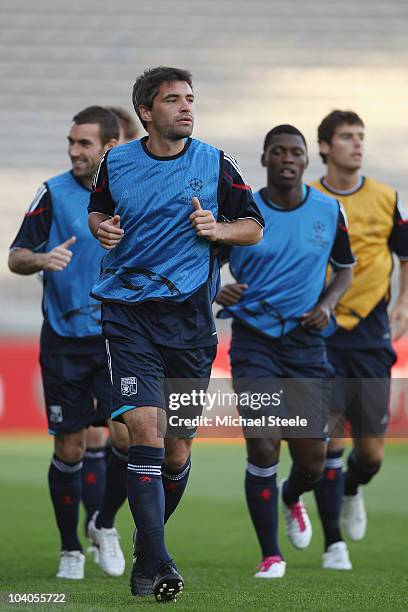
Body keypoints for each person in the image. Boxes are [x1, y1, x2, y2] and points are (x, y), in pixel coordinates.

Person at [88, 66, 264, 602]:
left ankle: (147, 547)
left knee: (177, 452)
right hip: (128, 314)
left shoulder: (213, 162)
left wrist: (217, 229)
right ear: (146, 111)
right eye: (173, 100)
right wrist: (103, 228)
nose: (186, 107)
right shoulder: (116, 161)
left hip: (189, 323)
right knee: (146, 432)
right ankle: (158, 564)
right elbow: (98, 211)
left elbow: (253, 226)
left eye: (190, 98)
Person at [215, 125, 354, 578]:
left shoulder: (329, 211)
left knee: (312, 460)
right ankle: (270, 554)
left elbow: (345, 270)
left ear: (306, 161)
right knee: (263, 444)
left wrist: (327, 305)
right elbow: (202, 260)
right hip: (254, 340)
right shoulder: (242, 209)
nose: (287, 158)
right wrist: (220, 289)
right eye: (278, 151)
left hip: (306, 343)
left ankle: (292, 496)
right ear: (264, 159)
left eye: (295, 151)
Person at [8, 106, 128, 580]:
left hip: (118, 337)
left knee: (128, 436)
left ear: (109, 148)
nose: (74, 151)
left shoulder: (133, 192)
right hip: (64, 340)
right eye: (71, 143)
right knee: (71, 448)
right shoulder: (53, 192)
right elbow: (16, 256)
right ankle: (70, 550)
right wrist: (40, 259)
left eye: (84, 144)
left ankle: (104, 522)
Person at [311, 110, 408, 569]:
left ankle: (352, 488)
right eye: (347, 136)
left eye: (361, 136)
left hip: (369, 332)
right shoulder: (307, 198)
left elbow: (405, 256)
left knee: (370, 453)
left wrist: (404, 302)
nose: (357, 143)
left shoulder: (387, 198)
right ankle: (334, 544)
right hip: (321, 329)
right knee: (327, 435)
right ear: (325, 147)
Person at [83, 105, 138, 546]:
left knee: (125, 436)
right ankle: (78, 540)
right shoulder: (66, 193)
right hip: (77, 332)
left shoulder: (149, 185)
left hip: (125, 327)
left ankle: (104, 521)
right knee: (78, 439)